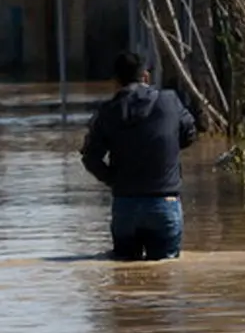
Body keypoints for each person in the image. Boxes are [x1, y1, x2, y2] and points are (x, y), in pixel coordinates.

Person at [81, 51, 198, 261]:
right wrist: (165, 151)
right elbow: (190, 134)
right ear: (146, 76)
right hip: (165, 201)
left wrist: (114, 180)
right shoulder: (170, 101)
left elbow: (90, 157)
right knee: (165, 271)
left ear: (116, 81)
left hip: (125, 204)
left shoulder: (107, 111)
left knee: (124, 270)